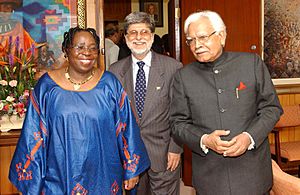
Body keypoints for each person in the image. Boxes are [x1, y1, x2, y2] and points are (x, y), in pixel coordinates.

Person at [9, 26, 150, 194]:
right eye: (80, 47)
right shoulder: (47, 87)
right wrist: (29, 179)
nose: (87, 53)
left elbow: (127, 127)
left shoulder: (109, 84)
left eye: (92, 48)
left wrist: (131, 169)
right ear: (66, 50)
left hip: (103, 175)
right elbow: (34, 135)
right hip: (59, 176)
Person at [169, 10, 283, 194]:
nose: (197, 45)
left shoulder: (251, 64)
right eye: (191, 40)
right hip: (210, 176)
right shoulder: (183, 77)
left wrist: (249, 137)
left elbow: (272, 108)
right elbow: (177, 123)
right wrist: (204, 140)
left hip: (252, 172)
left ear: (221, 36)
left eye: (203, 37)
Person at [109, 12, 182, 195]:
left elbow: (180, 112)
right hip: (129, 156)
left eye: (144, 32)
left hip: (164, 152)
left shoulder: (173, 67)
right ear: (125, 38)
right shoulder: (115, 71)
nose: (139, 37)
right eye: (133, 32)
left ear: (152, 36)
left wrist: (175, 148)